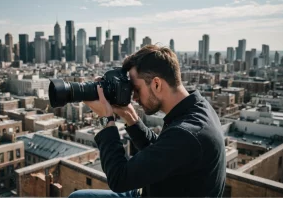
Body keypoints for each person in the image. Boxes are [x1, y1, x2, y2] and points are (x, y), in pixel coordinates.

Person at [69, 45, 226, 197]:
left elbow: (119, 179)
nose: (134, 98)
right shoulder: (198, 108)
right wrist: (130, 116)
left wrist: (107, 119)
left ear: (157, 84)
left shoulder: (187, 133)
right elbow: (162, 151)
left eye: (136, 90)